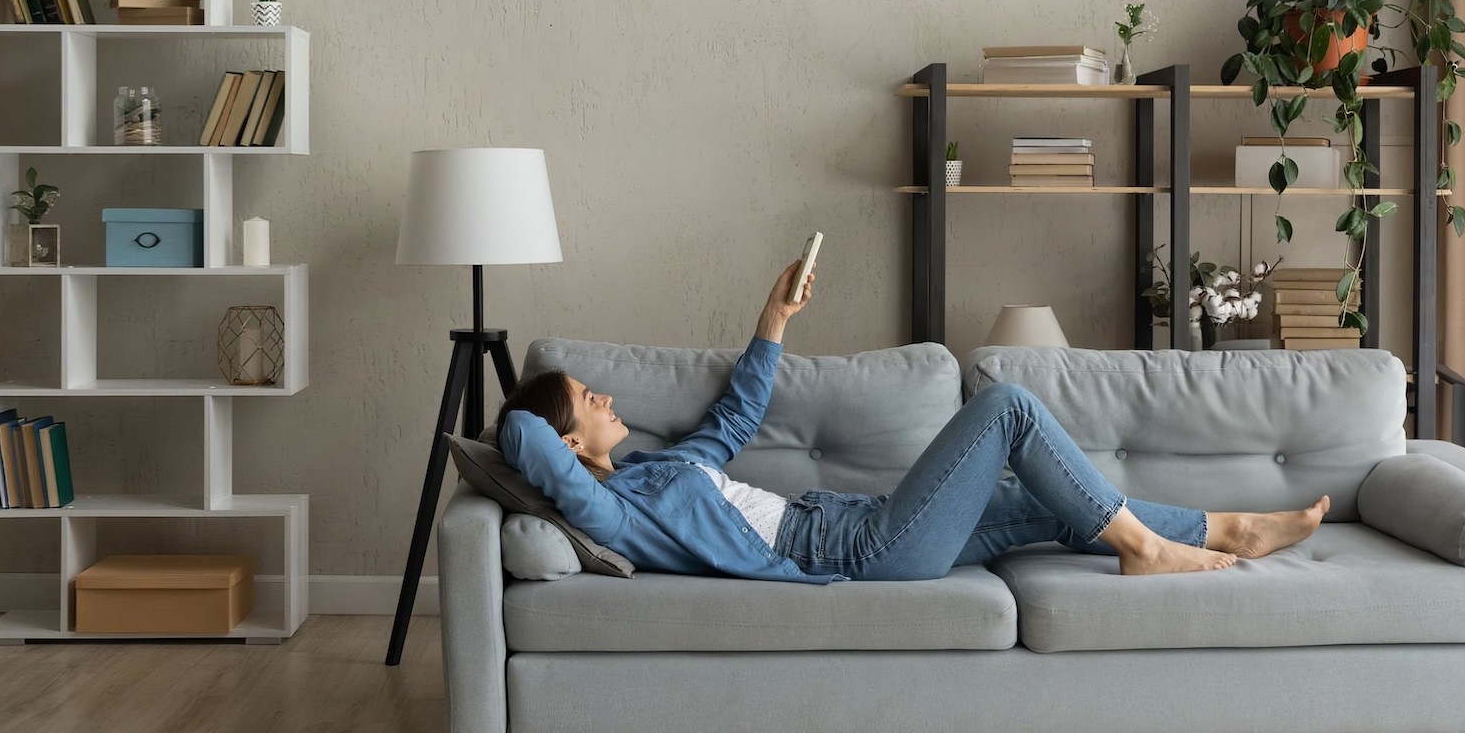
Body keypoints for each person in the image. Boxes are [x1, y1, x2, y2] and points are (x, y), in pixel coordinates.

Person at [496, 261, 1331, 584]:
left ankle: (1230, 529)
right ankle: (1148, 551)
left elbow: (735, 414)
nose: (607, 398)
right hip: (851, 551)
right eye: (589, 400)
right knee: (1006, 408)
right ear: (569, 447)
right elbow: (520, 437)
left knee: (1047, 499)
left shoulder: (655, 472)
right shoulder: (610, 511)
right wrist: (523, 419)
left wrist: (774, 316)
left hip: (853, 522)